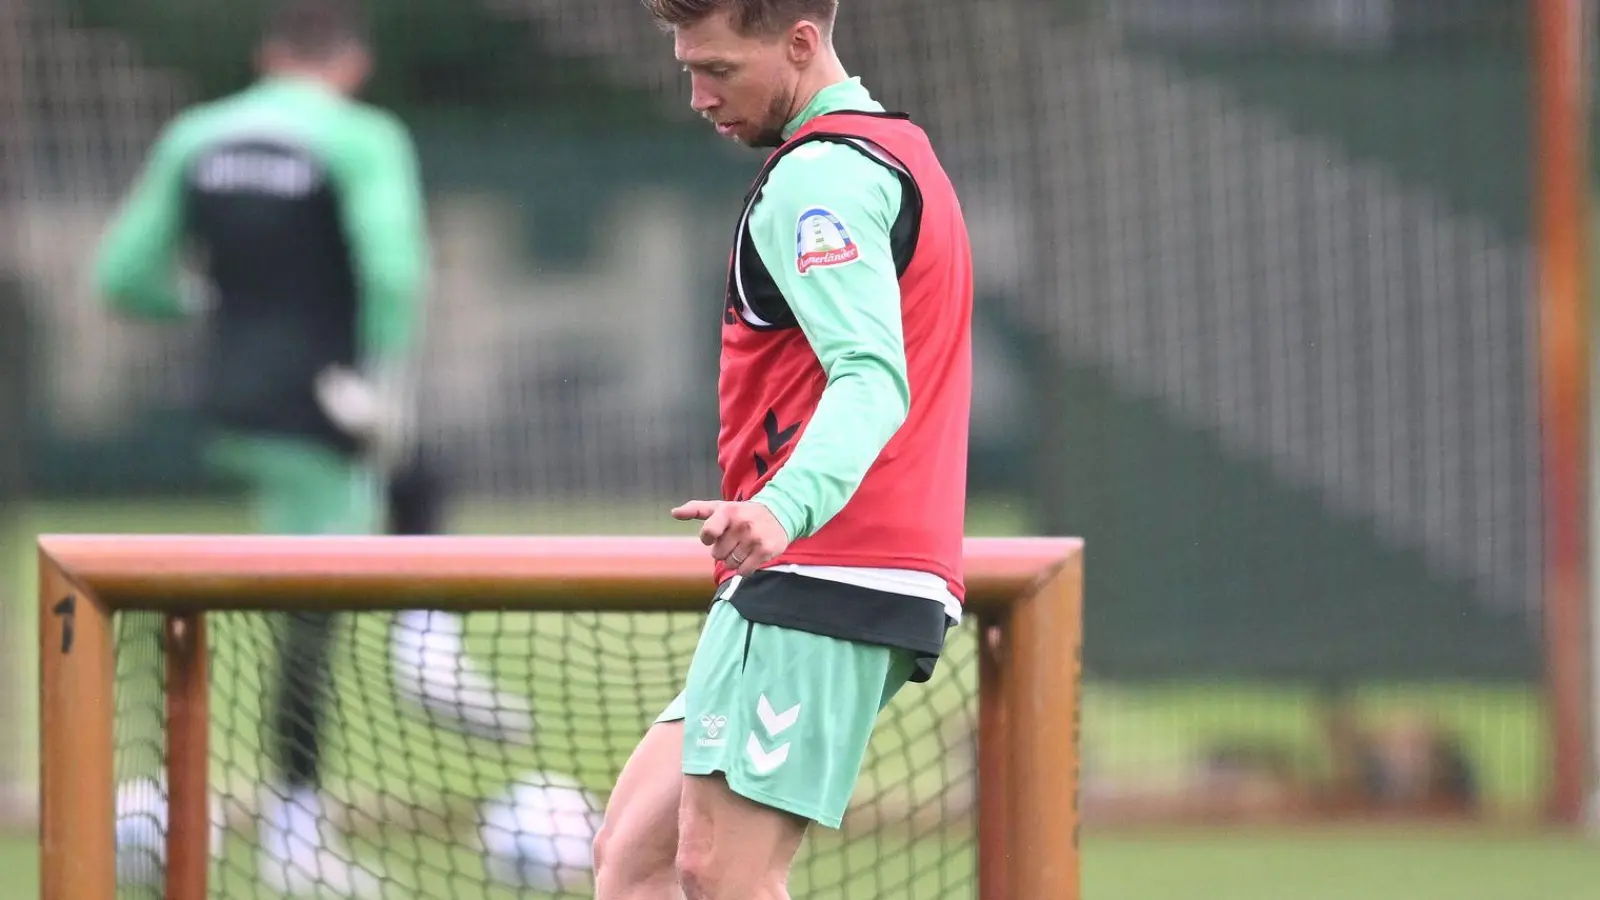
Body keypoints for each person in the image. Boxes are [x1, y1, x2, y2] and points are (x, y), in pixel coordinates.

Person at [91, 1, 529, 894]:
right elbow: (395, 267)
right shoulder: (360, 136)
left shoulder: (197, 135)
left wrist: (213, 309)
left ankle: (423, 645)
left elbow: (122, 276)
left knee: (419, 484)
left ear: (266, 56)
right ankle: (296, 835)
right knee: (311, 614)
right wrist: (382, 386)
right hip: (325, 405)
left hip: (237, 402)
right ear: (353, 63)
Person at [593, 1, 974, 897]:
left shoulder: (819, 182)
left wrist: (779, 505)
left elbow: (873, 378)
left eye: (719, 69)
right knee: (636, 860)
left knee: (719, 873)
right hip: (812, 568)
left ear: (801, 42)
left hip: (833, 566)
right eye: (689, 67)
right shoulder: (889, 148)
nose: (697, 95)